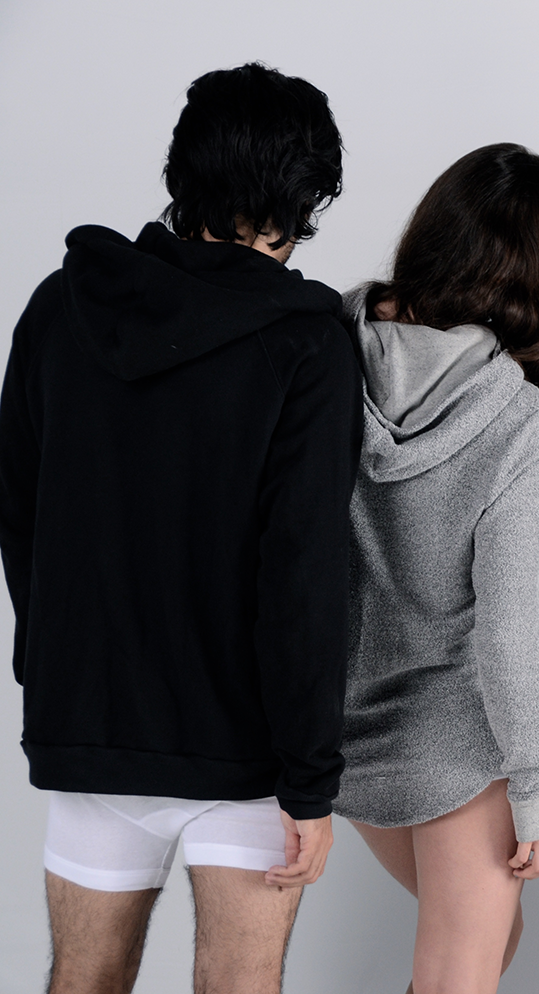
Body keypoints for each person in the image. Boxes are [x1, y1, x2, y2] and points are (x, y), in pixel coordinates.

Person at [0, 63, 358, 994]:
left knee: (82, 980)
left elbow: (20, 513)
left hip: (92, 725)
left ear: (182, 171)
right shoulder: (308, 344)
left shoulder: (60, 307)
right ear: (305, 197)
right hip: (245, 750)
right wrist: (311, 777)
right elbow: (302, 572)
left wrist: (53, 669)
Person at [336, 143, 539, 994]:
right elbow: (513, 625)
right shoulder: (519, 419)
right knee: (461, 974)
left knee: (494, 940)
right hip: (455, 741)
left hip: (333, 722)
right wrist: (538, 788)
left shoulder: (326, 350)